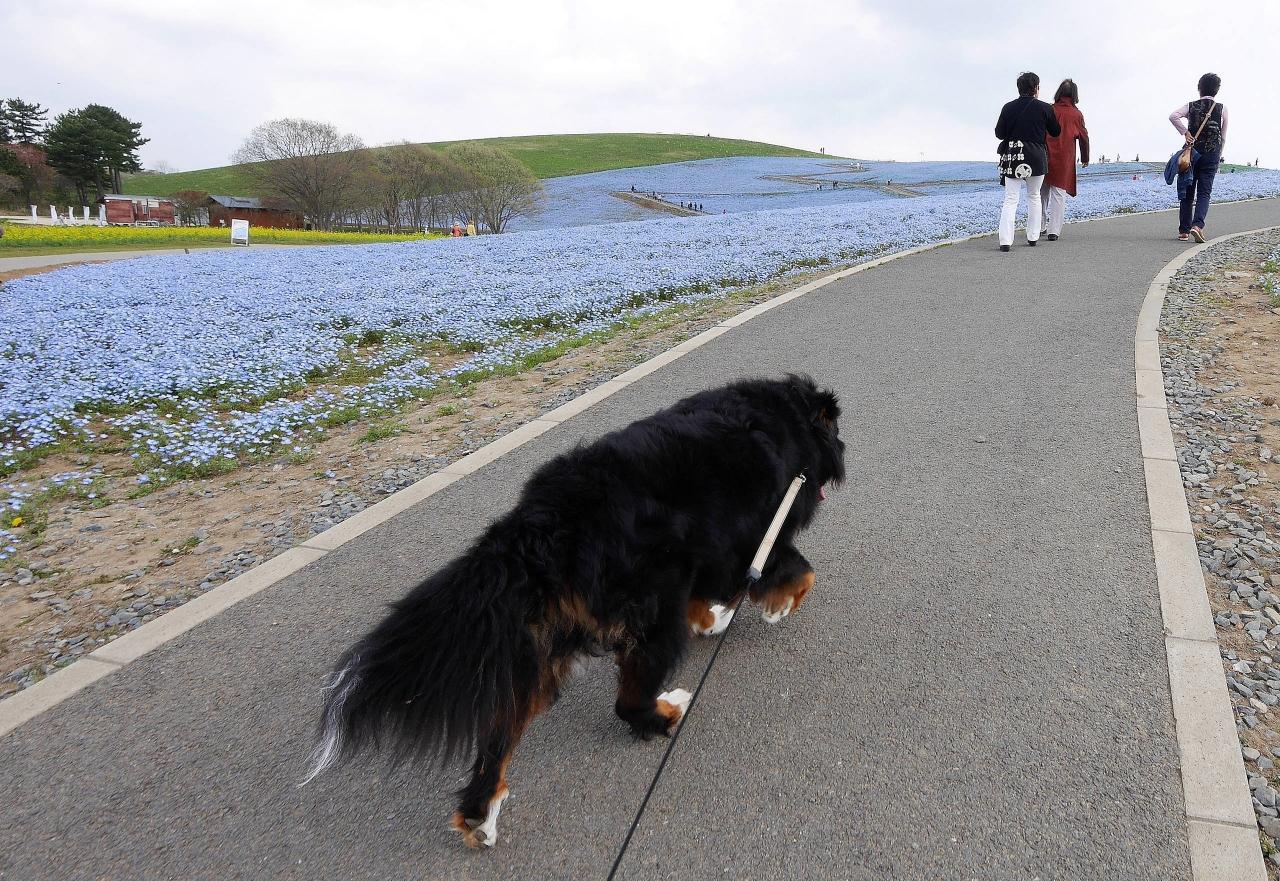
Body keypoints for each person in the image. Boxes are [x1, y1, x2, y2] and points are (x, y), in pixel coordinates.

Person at [995, 71, 1061, 251]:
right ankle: (1033, 236)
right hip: (1036, 156)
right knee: (1034, 196)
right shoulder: (1045, 108)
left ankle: (1005, 241)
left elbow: (999, 133)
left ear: (1019, 88)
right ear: (1036, 88)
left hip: (1013, 156)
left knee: (1010, 199)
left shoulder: (1008, 107)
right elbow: (1056, 131)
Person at [1169, 73, 1227, 242]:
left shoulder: (1191, 106)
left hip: (1192, 154)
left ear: (1199, 88)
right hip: (1212, 154)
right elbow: (1223, 136)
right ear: (1217, 90)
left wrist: (1185, 132)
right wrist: (1218, 155)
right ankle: (1197, 226)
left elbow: (1173, 116)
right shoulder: (1222, 108)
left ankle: (1184, 231)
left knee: (1187, 190)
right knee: (1204, 192)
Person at [1040, 78, 1090, 241]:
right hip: (1064, 157)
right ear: (1074, 94)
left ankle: (1039, 226)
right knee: (1059, 193)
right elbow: (1084, 137)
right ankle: (1053, 231)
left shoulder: (1049, 109)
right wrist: (1085, 157)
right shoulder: (1076, 114)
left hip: (1045, 154)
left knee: (1041, 191)